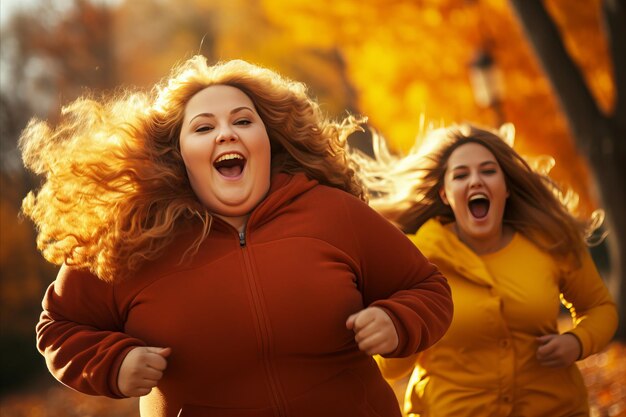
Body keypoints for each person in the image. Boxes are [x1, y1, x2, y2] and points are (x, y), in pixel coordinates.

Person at [19, 55, 453, 417]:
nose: (226, 133)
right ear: (179, 154)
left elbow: (427, 288)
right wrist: (113, 364)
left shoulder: (333, 212)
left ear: (268, 140)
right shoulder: (134, 235)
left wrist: (397, 321)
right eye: (204, 128)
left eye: (243, 121)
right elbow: (59, 326)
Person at [357, 124, 618, 416]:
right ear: (445, 194)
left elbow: (600, 308)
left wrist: (577, 341)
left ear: (506, 188)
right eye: (461, 175)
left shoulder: (551, 241)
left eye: (488, 171)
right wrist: (394, 332)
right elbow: (390, 369)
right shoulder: (414, 257)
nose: (476, 181)